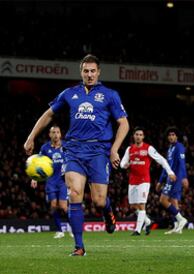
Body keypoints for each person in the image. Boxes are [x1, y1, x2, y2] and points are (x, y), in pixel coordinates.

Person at [24, 54, 129, 256]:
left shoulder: (110, 95)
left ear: (98, 72)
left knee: (99, 201)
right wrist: (31, 137)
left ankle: (107, 211)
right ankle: (79, 247)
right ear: (81, 72)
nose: (89, 75)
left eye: (92, 71)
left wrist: (115, 149)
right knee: (74, 194)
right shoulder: (69, 93)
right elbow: (48, 114)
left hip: (99, 151)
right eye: (85, 71)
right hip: (73, 151)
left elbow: (123, 124)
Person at [120, 126, 176, 236]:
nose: (138, 137)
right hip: (132, 181)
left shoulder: (148, 148)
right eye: (137, 134)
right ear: (133, 136)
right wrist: (124, 165)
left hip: (144, 181)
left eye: (141, 135)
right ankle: (148, 221)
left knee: (141, 205)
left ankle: (138, 230)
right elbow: (122, 163)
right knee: (133, 206)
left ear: (143, 136)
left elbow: (162, 160)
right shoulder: (129, 149)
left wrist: (170, 172)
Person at [31, 125, 71, 239]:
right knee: (53, 206)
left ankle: (73, 227)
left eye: (58, 132)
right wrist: (34, 178)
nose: (56, 134)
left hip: (63, 181)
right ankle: (60, 231)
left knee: (63, 206)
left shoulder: (66, 146)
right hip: (51, 181)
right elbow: (38, 163)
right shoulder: (45, 148)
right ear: (50, 134)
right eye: (53, 132)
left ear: (61, 134)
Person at [156, 126, 189, 234]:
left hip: (176, 178)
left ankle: (181, 219)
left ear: (177, 136)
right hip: (171, 178)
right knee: (173, 202)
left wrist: (184, 177)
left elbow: (182, 163)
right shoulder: (170, 148)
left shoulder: (179, 147)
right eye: (169, 135)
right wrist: (160, 181)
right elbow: (166, 166)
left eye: (173, 135)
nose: (171, 137)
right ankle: (176, 227)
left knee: (163, 200)